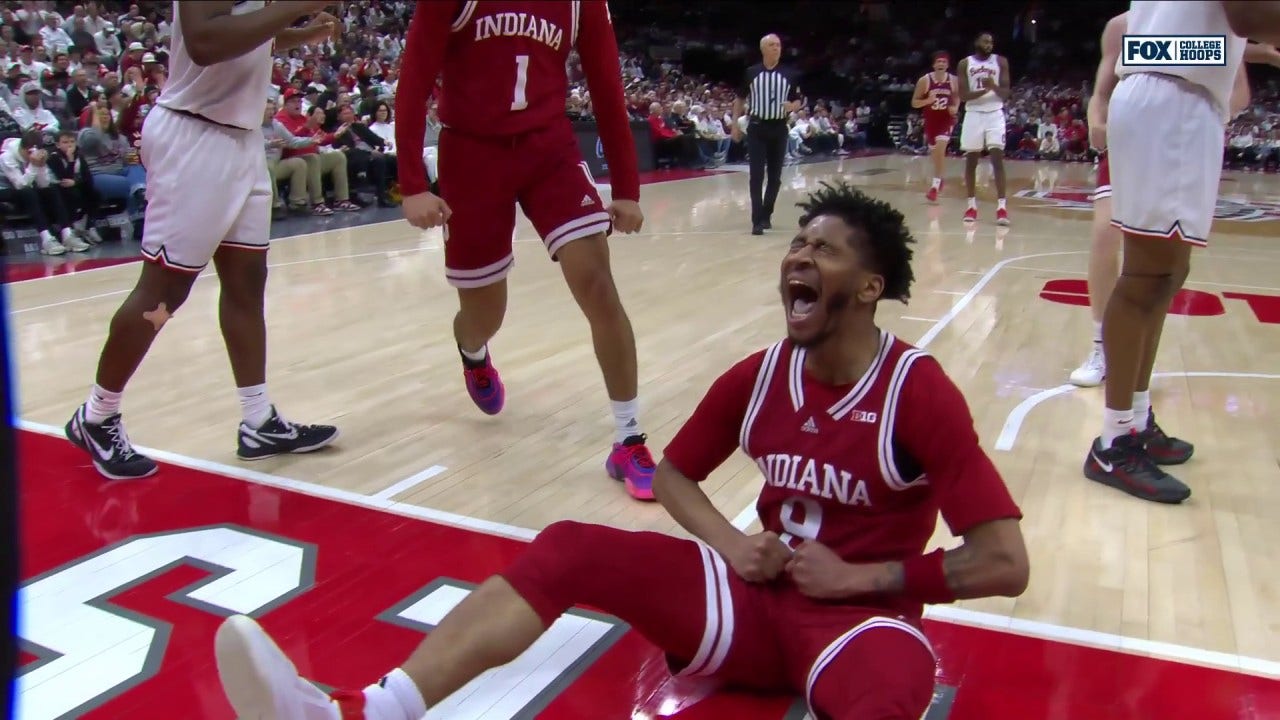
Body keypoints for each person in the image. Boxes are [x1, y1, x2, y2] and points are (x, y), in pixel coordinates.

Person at [212, 182, 1030, 720]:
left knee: (893, 694)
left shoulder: (916, 393)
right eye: (798, 245)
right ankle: (370, 711)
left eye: (825, 250)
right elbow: (672, 473)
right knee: (569, 546)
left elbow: (1003, 562)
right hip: (751, 606)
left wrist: (864, 578)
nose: (798, 257)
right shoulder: (763, 373)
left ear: (868, 287)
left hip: (858, 622)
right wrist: (733, 543)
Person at [63, 1, 341, 481]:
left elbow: (246, 39)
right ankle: (97, 415)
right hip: (194, 138)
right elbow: (206, 42)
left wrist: (300, 36)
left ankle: (257, 421)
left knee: (247, 284)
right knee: (164, 293)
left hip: (241, 140)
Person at [392, 1, 656, 500]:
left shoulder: (582, 4)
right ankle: (473, 352)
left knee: (597, 282)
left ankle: (629, 436)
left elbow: (606, 90)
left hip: (548, 148)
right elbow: (415, 79)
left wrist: (626, 187)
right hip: (471, 154)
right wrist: (411, 183)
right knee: (485, 310)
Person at [1081, 1, 1280, 503]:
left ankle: (1137, 418)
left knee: (1167, 276)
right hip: (1169, 103)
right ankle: (1114, 440)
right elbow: (1247, 16)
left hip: (1179, 98)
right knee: (1147, 278)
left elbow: (1182, 40)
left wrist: (1253, 54)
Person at [733, 33, 801, 235]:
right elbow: (739, 99)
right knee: (756, 175)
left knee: (775, 177)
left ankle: (766, 213)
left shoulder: (790, 74)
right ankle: (756, 220)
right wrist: (735, 125)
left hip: (779, 128)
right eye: (772, 45)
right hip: (757, 127)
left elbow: (798, 100)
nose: (776, 48)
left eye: (778, 45)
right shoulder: (751, 73)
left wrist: (793, 106)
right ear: (763, 49)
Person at [956, 32, 1011, 225]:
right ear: (976, 42)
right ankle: (971, 206)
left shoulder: (1001, 61)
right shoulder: (965, 63)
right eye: (985, 41)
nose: (989, 44)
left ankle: (1002, 208)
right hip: (973, 114)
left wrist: (993, 87)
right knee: (971, 161)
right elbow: (962, 95)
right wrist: (983, 90)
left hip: (995, 113)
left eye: (991, 42)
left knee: (997, 159)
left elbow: (1005, 93)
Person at [911, 51, 959, 203]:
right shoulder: (925, 81)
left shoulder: (953, 80)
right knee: (936, 156)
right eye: (938, 62)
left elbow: (957, 97)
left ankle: (935, 186)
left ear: (947, 65)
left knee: (940, 150)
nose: (941, 64)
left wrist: (955, 108)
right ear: (934, 65)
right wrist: (927, 101)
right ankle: (940, 178)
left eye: (944, 62)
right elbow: (914, 102)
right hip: (931, 121)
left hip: (946, 120)